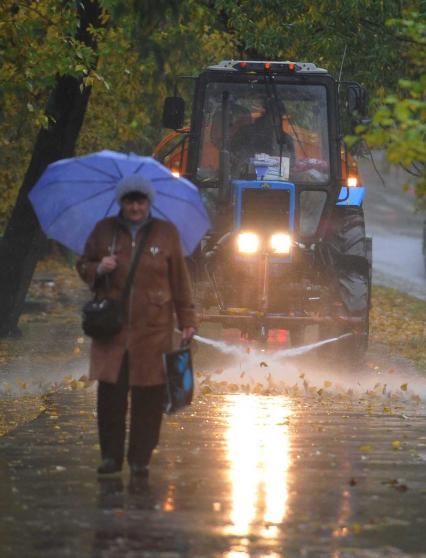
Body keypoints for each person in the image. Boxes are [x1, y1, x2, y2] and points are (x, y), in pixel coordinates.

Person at [77, 175, 196, 478]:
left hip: (153, 332)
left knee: (149, 398)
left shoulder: (166, 234)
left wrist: (188, 321)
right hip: (112, 331)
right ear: (121, 202)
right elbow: (83, 265)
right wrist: (98, 268)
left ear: (148, 203)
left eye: (140, 201)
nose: (135, 207)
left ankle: (141, 458)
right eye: (130, 201)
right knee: (110, 399)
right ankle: (111, 459)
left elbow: (180, 282)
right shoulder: (104, 231)